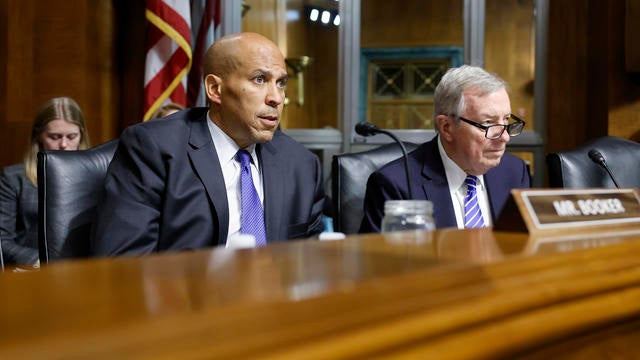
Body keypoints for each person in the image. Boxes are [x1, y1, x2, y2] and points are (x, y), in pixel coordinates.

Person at [91, 32, 325, 256]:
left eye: (282, 83)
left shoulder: (302, 164)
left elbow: (308, 264)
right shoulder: (153, 149)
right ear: (215, 89)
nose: (276, 97)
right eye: (259, 79)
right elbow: (125, 261)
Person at [359, 65, 530, 232]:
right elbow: (380, 259)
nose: (505, 137)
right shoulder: (395, 184)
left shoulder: (514, 172)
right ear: (447, 127)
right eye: (487, 123)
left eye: (506, 120)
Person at [0, 96, 90, 265]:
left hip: (82, 271)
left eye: (72, 136)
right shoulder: (13, 179)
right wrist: (41, 262)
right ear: (39, 137)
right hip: (33, 272)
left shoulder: (96, 178)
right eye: (55, 137)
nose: (64, 144)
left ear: (81, 136)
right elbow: (1, 241)